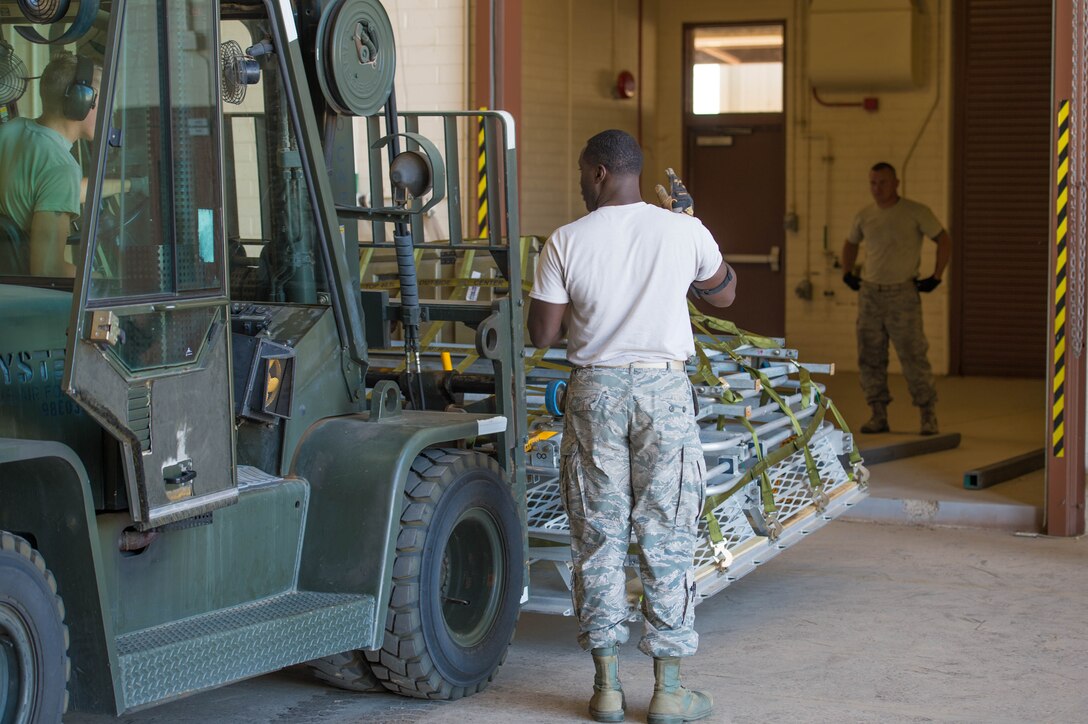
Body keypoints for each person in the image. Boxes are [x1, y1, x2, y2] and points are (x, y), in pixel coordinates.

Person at [528, 129, 735, 724]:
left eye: (578, 172)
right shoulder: (684, 229)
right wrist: (691, 235)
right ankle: (669, 692)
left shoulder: (566, 240)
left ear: (598, 173)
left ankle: (606, 689)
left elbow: (541, 334)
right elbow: (724, 294)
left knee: (598, 534)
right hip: (664, 393)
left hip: (594, 391)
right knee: (666, 532)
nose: (578, 182)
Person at [840, 161, 952, 436]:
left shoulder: (915, 212)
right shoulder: (865, 215)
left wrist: (937, 275)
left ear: (896, 184)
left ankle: (928, 414)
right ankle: (878, 414)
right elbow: (850, 242)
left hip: (902, 294)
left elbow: (943, 239)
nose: (877, 189)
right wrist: (847, 272)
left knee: (913, 355)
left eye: (883, 183)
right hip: (870, 294)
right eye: (873, 183)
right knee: (870, 356)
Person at [0, 53, 100, 277]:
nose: (107, 113)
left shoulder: (11, 131)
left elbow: (42, 187)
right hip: (20, 300)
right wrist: (102, 286)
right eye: (101, 103)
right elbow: (48, 271)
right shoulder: (61, 168)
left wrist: (129, 184)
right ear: (80, 103)